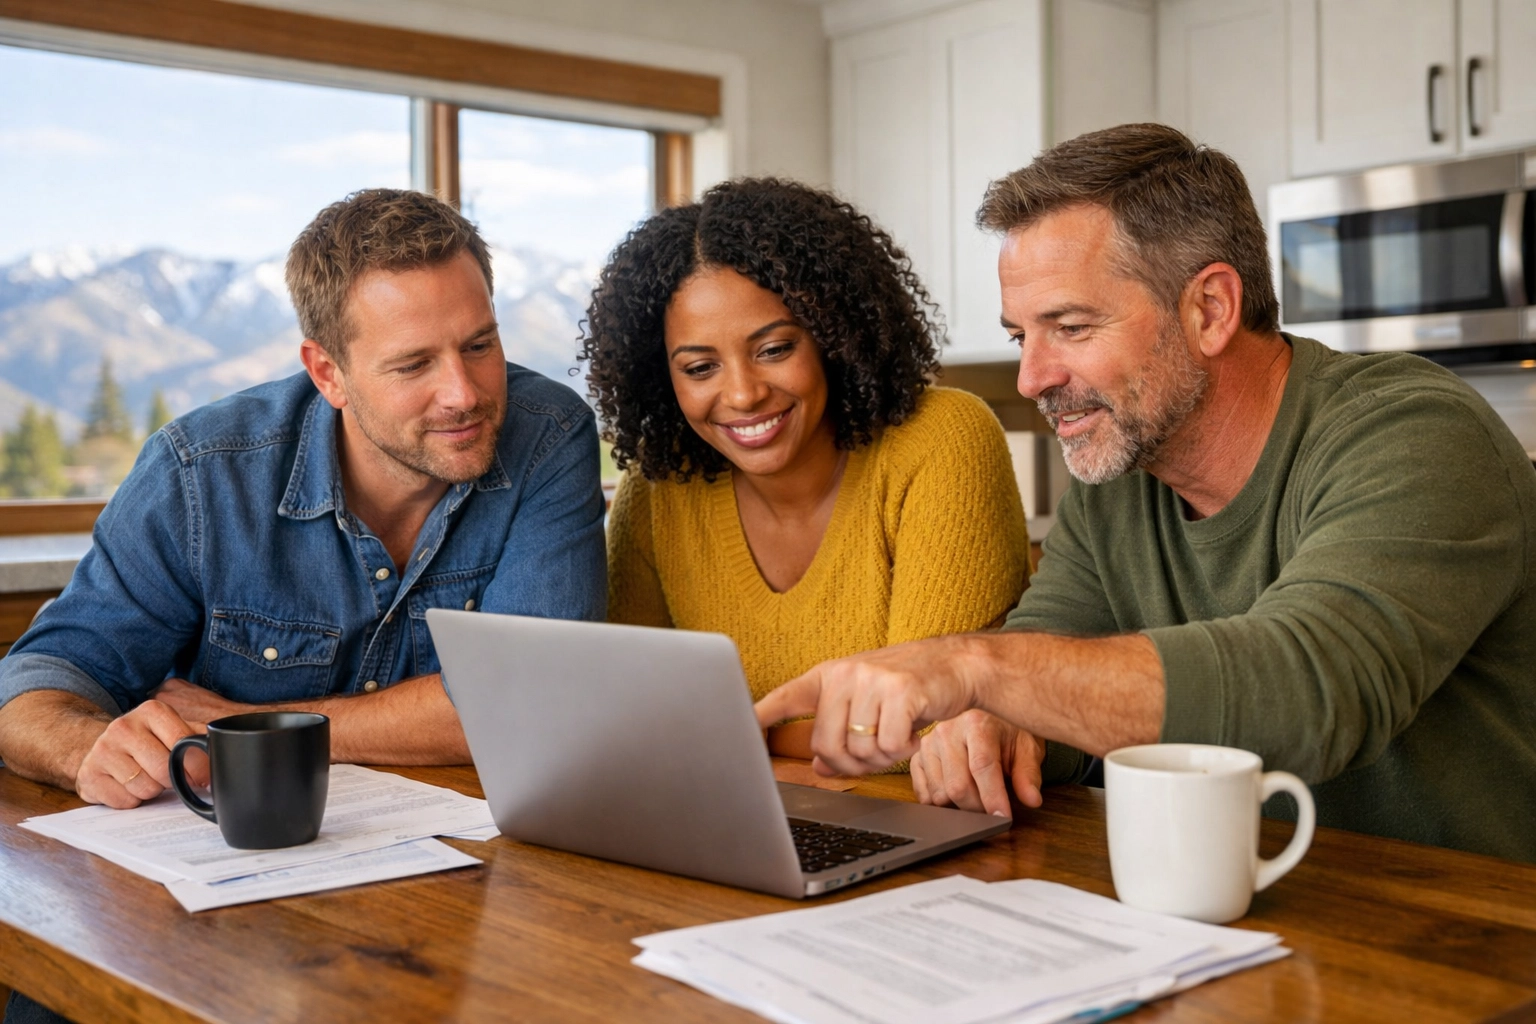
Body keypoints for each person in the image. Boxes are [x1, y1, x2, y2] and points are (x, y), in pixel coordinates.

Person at [755, 124, 1536, 861]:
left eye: (1070, 327)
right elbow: (1052, 658)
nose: (1033, 378)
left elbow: (1314, 690)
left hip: (1472, 946)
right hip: (1243, 921)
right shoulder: (1121, 473)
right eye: (1021, 336)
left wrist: (975, 670)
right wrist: (995, 725)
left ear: (1210, 308)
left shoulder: (1415, 433)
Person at [0, 187, 607, 809]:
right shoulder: (201, 473)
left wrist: (249, 725)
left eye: (479, 345)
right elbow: (41, 680)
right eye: (413, 365)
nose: (464, 392)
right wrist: (86, 748)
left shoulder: (547, 436)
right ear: (327, 373)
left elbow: (533, 700)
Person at [586, 178, 1031, 761]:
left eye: (774, 350)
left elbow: (927, 732)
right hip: (733, 820)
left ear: (833, 335)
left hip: (920, 829)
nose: (742, 395)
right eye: (699, 368)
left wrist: (736, 734)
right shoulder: (660, 487)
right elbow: (629, 709)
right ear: (661, 379)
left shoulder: (942, 443)